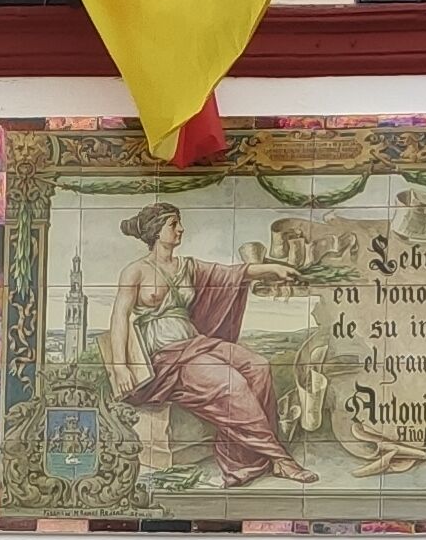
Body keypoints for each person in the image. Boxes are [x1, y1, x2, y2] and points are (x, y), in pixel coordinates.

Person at [105, 199, 314, 488]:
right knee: (232, 384)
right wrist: (120, 368)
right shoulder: (135, 271)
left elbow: (232, 273)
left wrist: (272, 271)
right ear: (156, 231)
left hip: (195, 344)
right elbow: (119, 318)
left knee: (258, 366)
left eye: (179, 223)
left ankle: (244, 458)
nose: (181, 229)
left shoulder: (188, 267)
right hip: (164, 360)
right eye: (173, 224)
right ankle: (280, 458)